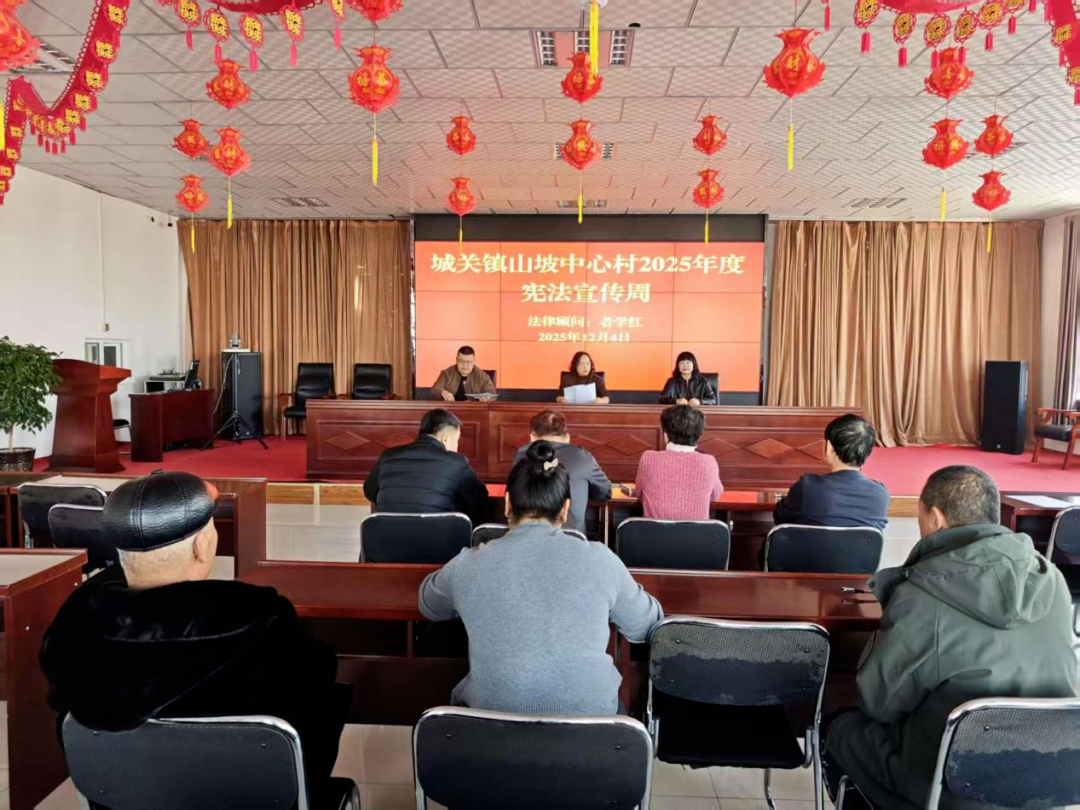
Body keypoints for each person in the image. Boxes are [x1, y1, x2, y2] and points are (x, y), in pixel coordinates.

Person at [40, 472, 348, 800]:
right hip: (252, 795)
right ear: (202, 545)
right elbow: (316, 682)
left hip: (124, 799)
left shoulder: (74, 623)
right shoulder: (260, 617)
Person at [824, 465, 1077, 810]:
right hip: (1047, 777)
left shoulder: (921, 594)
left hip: (951, 788)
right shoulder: (1052, 579)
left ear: (936, 518)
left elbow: (880, 703)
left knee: (839, 726)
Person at [418, 440, 663, 714]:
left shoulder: (469, 563)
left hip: (489, 728)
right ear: (565, 510)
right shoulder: (601, 560)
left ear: (507, 504)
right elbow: (646, 626)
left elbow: (428, 603)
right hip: (591, 728)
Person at [364, 408, 489, 527]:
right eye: (456, 440)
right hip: (438, 537)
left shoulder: (388, 456)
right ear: (445, 438)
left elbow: (370, 492)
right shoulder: (456, 462)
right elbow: (479, 499)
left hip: (385, 536)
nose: (457, 446)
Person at [773, 414, 890, 530]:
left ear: (829, 447)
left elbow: (780, 517)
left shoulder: (807, 487)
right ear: (867, 451)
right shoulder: (880, 494)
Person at [513, 410, 611, 533]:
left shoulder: (521, 454)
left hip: (525, 536)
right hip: (572, 537)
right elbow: (605, 492)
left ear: (532, 437)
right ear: (568, 437)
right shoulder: (583, 456)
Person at [635, 405, 723, 520]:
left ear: (665, 434)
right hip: (696, 531)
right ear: (699, 435)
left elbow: (639, 493)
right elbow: (715, 495)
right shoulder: (709, 462)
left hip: (653, 531)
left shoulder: (648, 458)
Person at [431, 346, 496, 402]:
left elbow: (492, 395)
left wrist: (486, 398)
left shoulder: (483, 376)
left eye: (468, 362)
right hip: (450, 409)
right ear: (456, 360)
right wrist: (443, 392)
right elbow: (434, 390)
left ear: (473, 361)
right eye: (461, 361)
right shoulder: (447, 373)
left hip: (475, 410)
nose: (464, 365)